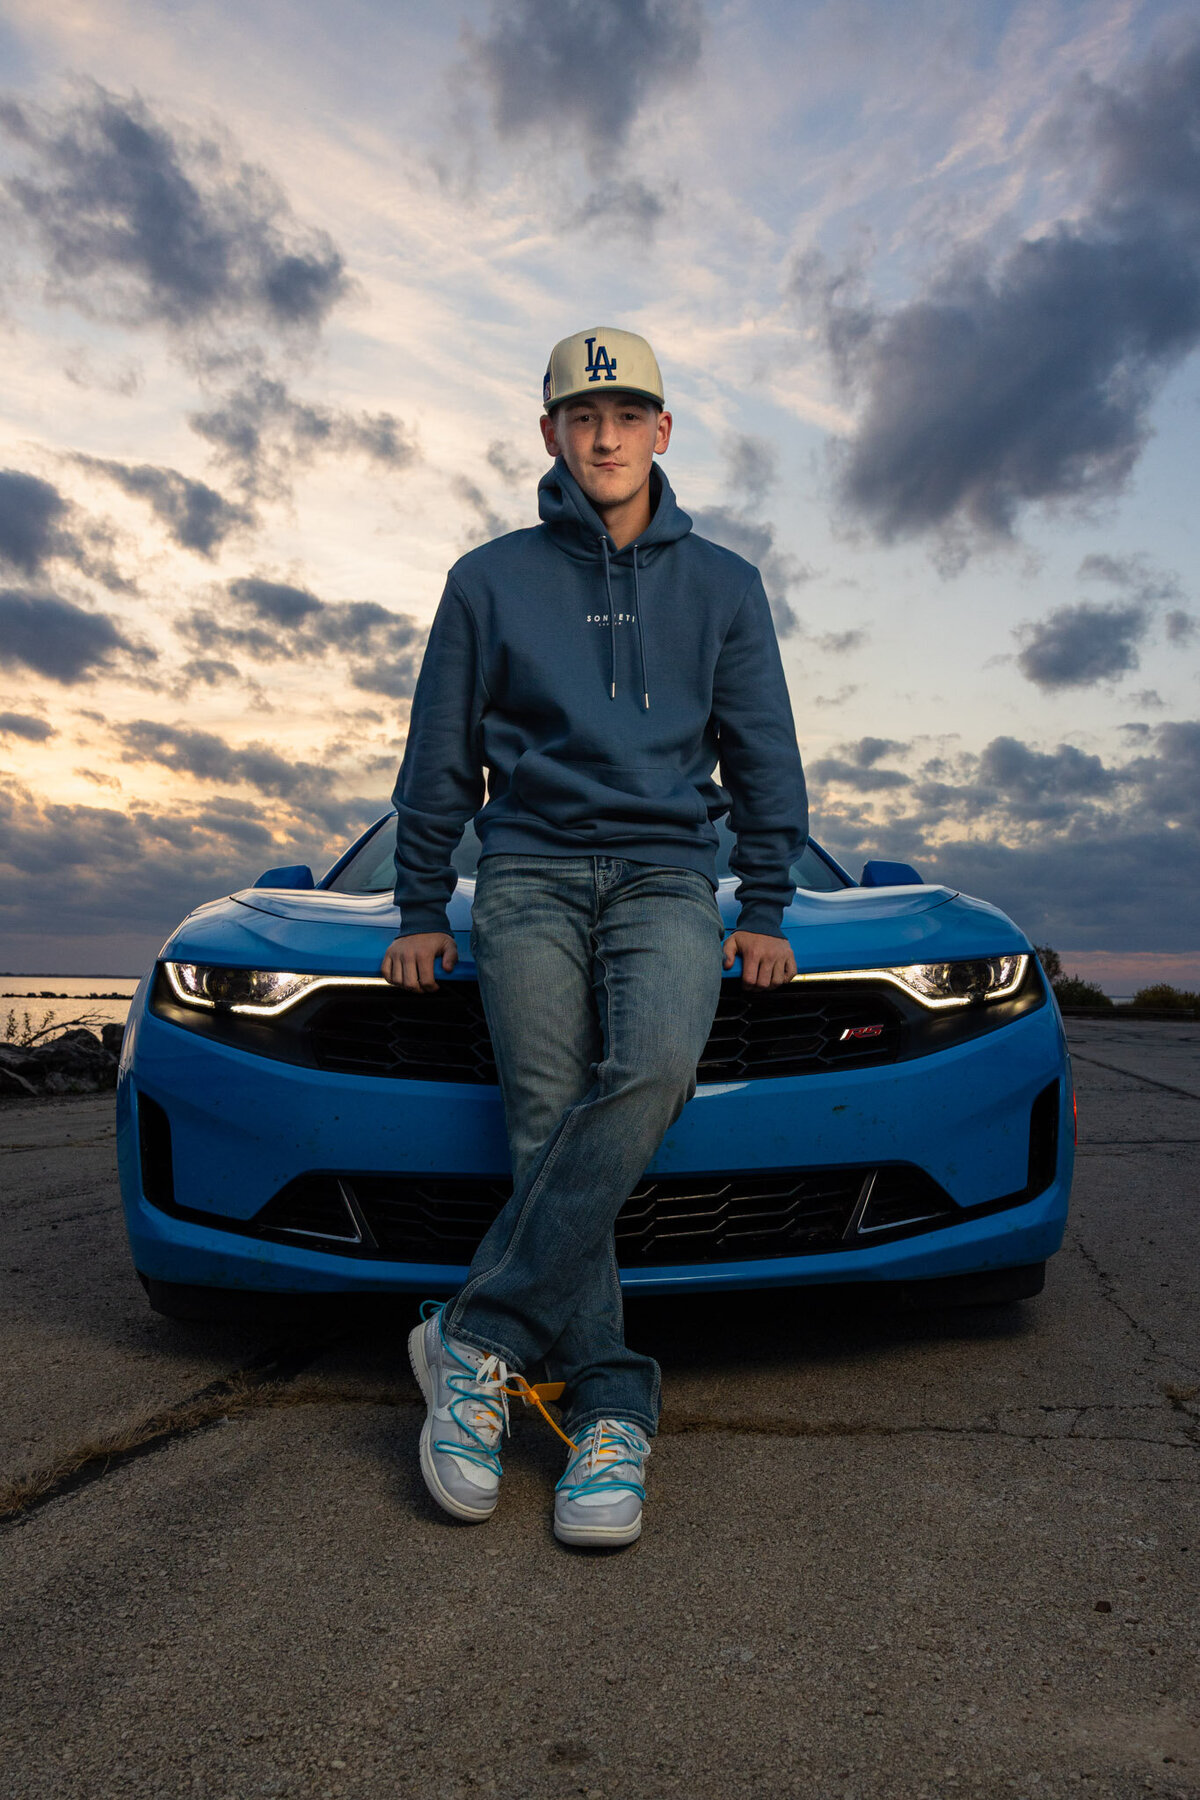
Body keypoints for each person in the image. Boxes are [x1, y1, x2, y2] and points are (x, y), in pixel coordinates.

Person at [382, 327, 807, 1547]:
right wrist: (421, 906)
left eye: (628, 414)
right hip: (524, 874)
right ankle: (610, 1409)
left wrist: (765, 904)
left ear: (663, 432)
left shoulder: (722, 583)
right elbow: (439, 751)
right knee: (541, 1112)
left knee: (656, 1068)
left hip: (672, 877)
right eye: (583, 415)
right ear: (551, 436)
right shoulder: (487, 577)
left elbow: (764, 750)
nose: (606, 434)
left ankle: (472, 1337)